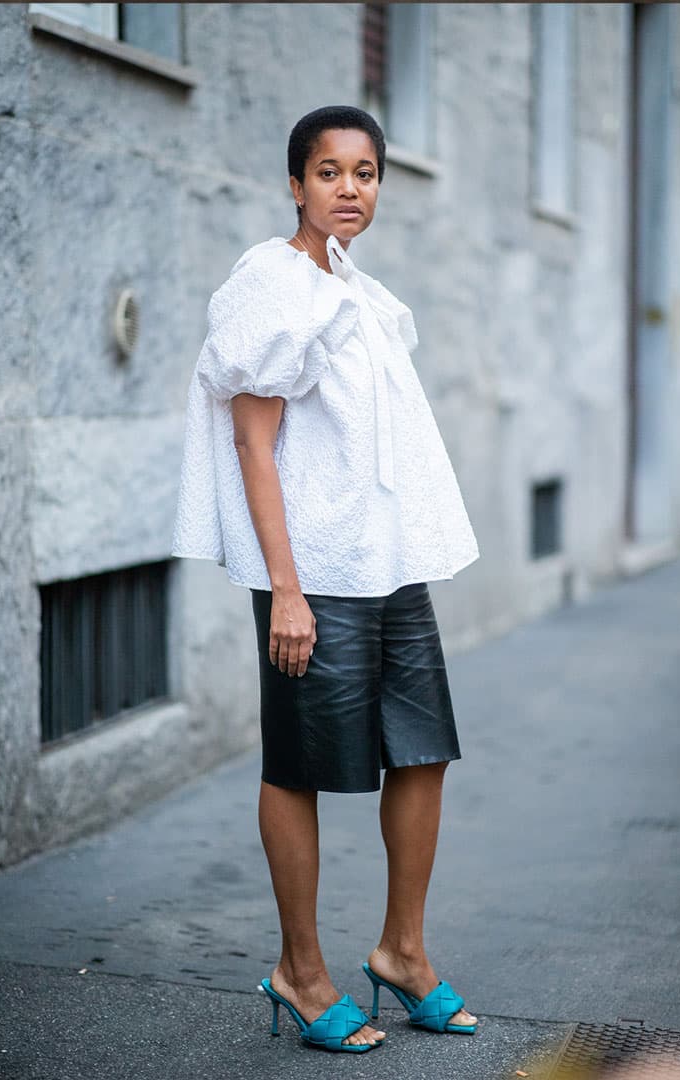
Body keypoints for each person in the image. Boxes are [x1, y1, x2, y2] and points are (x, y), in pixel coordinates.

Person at [171, 105, 481, 1053]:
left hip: (389, 568)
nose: (351, 188)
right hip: (314, 574)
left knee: (422, 750)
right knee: (299, 765)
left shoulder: (353, 287)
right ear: (295, 185)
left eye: (366, 172)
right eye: (330, 171)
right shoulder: (273, 286)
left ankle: (403, 951)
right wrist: (287, 590)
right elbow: (254, 445)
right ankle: (301, 973)